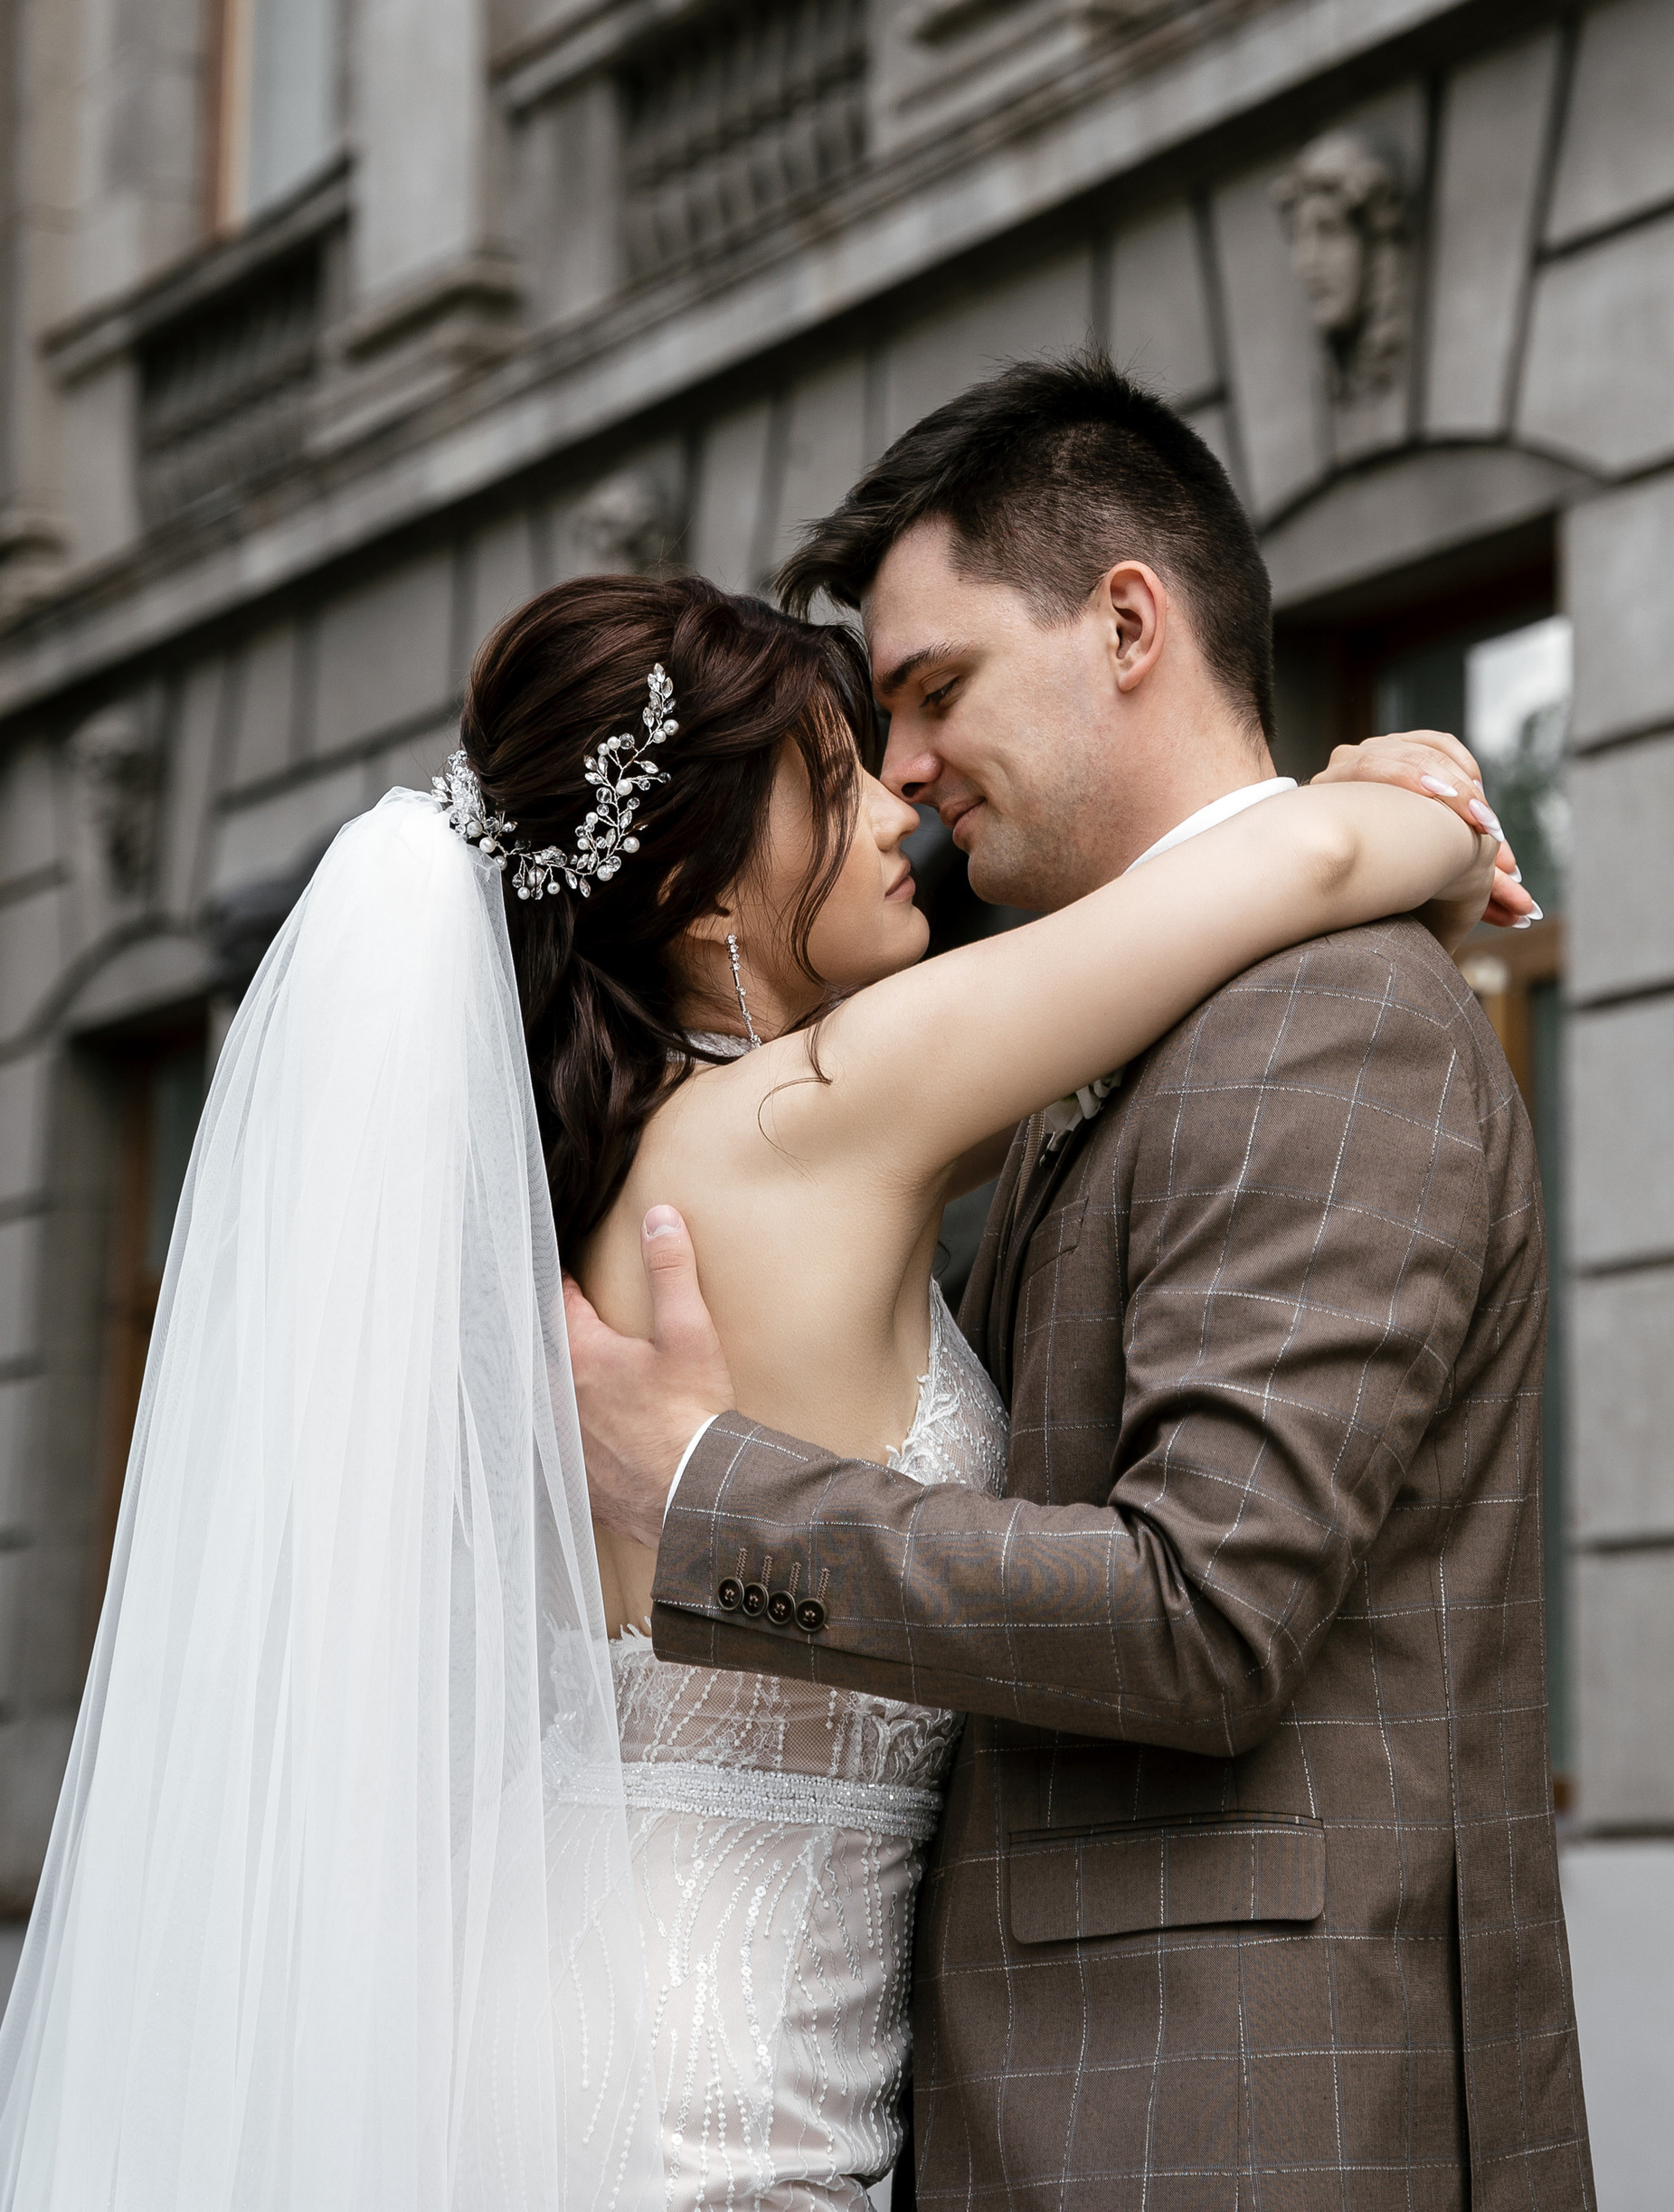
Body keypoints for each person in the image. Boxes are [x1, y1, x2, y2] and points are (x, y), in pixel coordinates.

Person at [0, 553, 1512, 2212]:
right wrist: (1429, 792)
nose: (898, 815)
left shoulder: (607, 1180)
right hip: (707, 2117)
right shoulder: (808, 1120)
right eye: (835, 776)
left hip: (580, 2061)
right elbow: (1296, 867)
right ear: (699, 894)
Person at [571, 355, 1596, 2212]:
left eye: (931, 690)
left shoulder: (1326, 1018)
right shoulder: (1065, 1046)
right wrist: (1400, 806)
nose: (903, 775)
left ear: (1126, 624)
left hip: (1220, 2120)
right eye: (861, 742)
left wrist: (712, 1496)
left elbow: (1205, 1610)